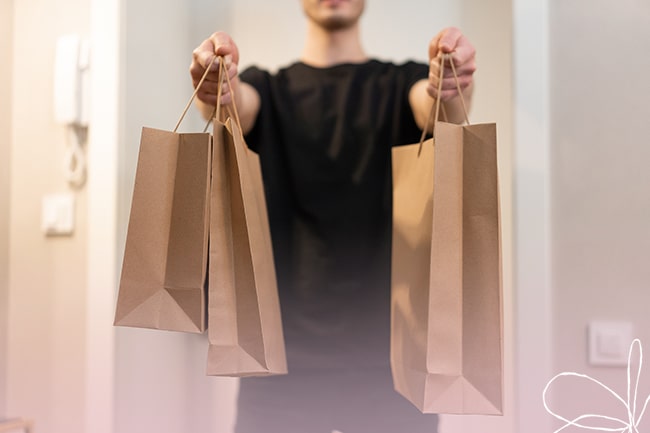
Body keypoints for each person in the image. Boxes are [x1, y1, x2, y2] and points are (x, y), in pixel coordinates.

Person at [190, 1, 476, 432]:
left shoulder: (405, 84)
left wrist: (450, 83)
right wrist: (218, 86)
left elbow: (438, 107)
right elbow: (234, 105)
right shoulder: (265, 89)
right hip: (277, 371)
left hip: (394, 371)